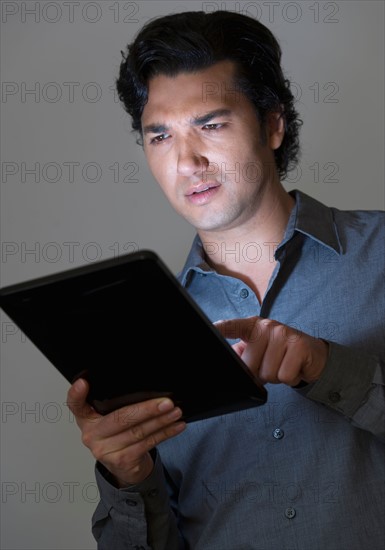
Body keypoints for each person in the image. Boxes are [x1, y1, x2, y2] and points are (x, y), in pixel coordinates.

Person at [66, 10, 384, 550]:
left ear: (274, 124)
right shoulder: (141, 333)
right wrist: (128, 476)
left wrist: (331, 370)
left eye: (210, 125)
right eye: (160, 135)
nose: (186, 161)